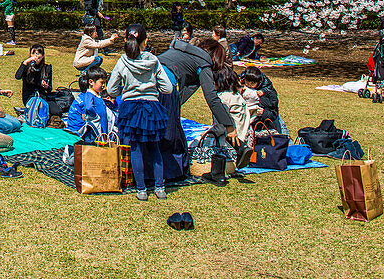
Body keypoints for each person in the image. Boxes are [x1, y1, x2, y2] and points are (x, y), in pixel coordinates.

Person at [156, 36, 251, 184]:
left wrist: (175, 107)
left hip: (146, 81)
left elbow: (184, 92)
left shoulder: (180, 50)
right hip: (165, 85)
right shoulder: (203, 61)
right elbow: (212, 98)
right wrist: (229, 125)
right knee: (171, 134)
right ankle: (171, 173)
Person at [107, 24, 174, 200]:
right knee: (154, 147)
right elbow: (168, 88)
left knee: (135, 148)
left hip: (131, 108)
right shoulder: (153, 60)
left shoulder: (123, 61)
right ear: (145, 41)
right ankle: (160, 187)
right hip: (151, 107)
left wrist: (125, 88)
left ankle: (141, 189)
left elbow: (111, 89)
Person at [65, 67, 113, 141]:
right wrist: (95, 117)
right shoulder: (89, 95)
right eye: (101, 83)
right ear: (91, 82)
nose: (103, 85)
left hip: (102, 124)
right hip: (94, 126)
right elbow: (89, 107)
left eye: (104, 83)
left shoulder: (97, 95)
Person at [241, 66, 280, 131]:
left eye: (253, 83)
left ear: (259, 81)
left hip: (260, 123)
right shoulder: (240, 82)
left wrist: (264, 113)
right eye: (247, 82)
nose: (249, 85)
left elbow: (274, 112)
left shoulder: (268, 91)